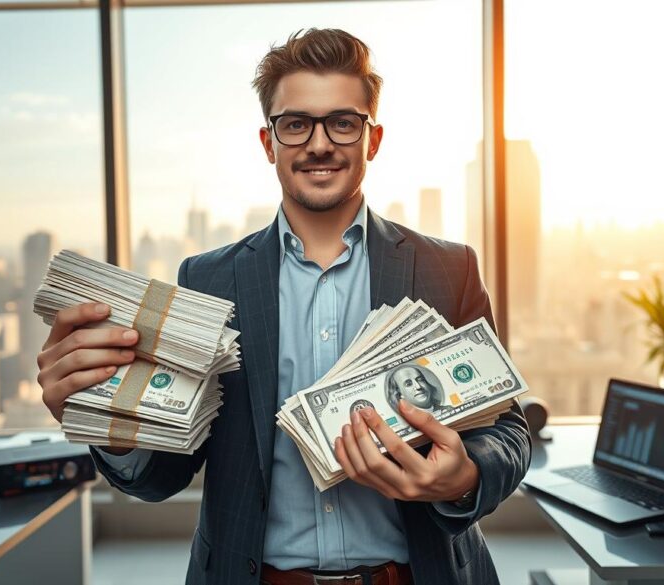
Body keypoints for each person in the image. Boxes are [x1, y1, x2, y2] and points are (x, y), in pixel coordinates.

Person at [37, 28, 530, 585]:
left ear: (373, 139)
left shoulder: (449, 268)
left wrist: (464, 475)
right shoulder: (206, 280)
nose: (319, 144)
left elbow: (507, 429)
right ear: (269, 142)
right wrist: (103, 416)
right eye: (295, 124)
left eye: (343, 122)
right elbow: (163, 475)